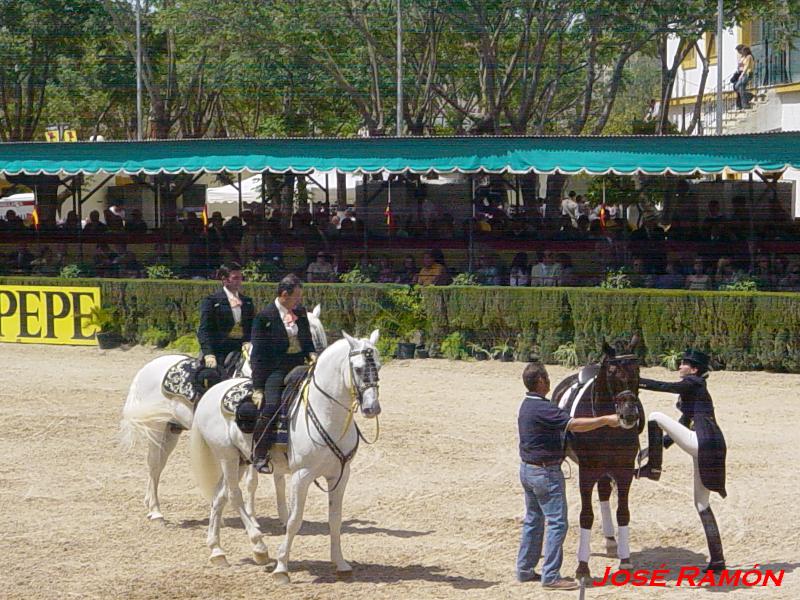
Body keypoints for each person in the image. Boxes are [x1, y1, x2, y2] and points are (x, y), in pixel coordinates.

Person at [516, 362, 621, 590]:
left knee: (533, 521)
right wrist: (605, 420)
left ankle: (525, 569)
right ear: (542, 381)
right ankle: (551, 576)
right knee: (557, 523)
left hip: (527, 470)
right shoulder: (544, 408)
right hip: (545, 473)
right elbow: (575, 424)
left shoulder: (526, 405)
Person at [636, 350, 727, 573]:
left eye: (684, 364)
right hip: (709, 445)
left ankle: (652, 469)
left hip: (703, 441)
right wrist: (658, 446)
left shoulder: (693, 383)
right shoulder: (694, 389)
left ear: (694, 369)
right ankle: (717, 561)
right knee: (701, 504)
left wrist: (636, 381)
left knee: (655, 416)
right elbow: (683, 423)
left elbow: (665, 387)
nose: (680, 366)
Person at [249, 274, 316, 473]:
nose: (299, 301)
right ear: (284, 295)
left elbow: (307, 341)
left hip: (300, 367)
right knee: (270, 407)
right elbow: (258, 355)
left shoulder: (300, 314)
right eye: (296, 297)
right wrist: (258, 387)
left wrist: (312, 354)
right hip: (276, 370)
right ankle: (260, 454)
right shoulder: (264, 317)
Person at [197, 264, 254, 372]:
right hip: (219, 350)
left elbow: (251, 326)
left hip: (241, 349)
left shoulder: (247, 301)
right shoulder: (212, 301)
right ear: (224, 280)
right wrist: (209, 354)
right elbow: (204, 330)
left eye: (240, 278)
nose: (239, 281)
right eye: (235, 278)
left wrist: (248, 341)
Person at [734, 45, 755, 109]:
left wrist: (742, 75)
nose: (742, 52)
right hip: (743, 74)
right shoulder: (744, 57)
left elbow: (746, 67)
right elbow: (742, 65)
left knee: (738, 87)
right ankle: (745, 102)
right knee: (739, 88)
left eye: (743, 51)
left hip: (747, 73)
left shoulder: (749, 57)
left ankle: (748, 99)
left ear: (746, 51)